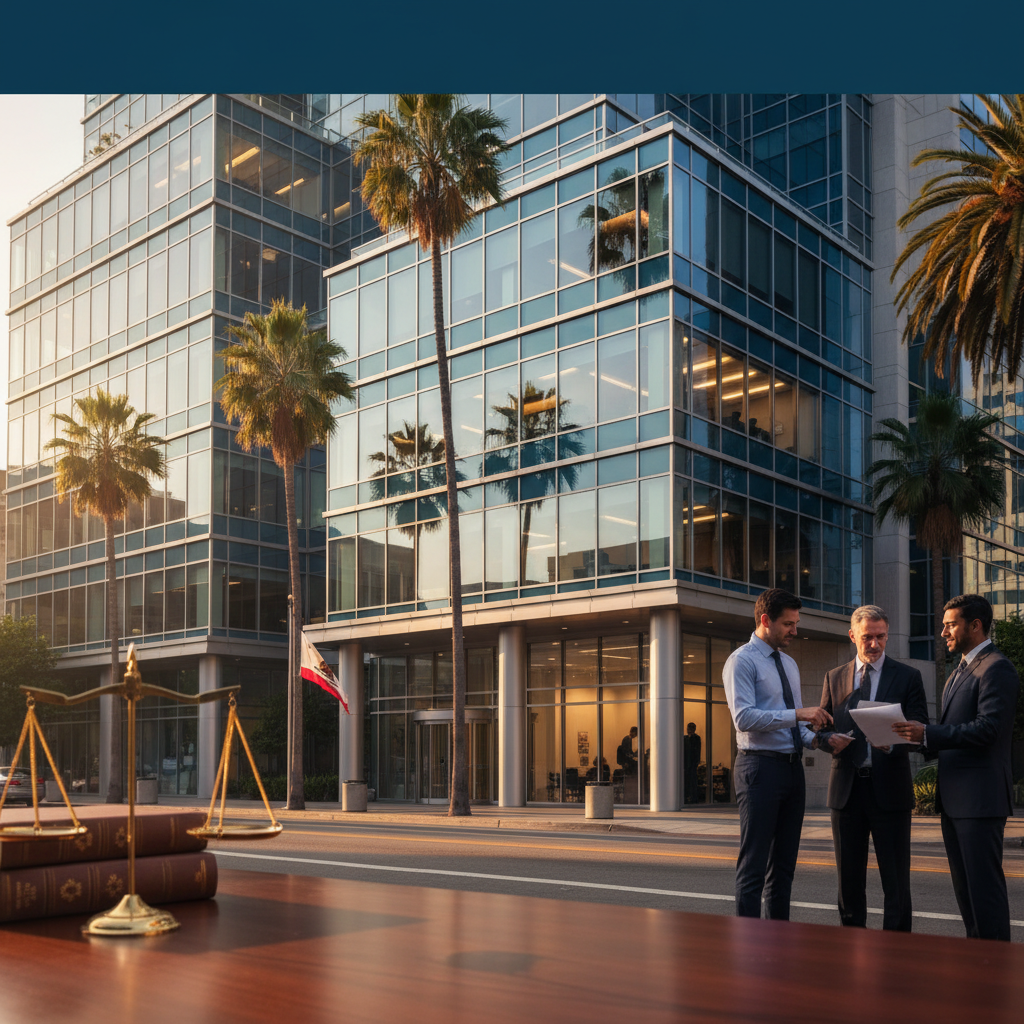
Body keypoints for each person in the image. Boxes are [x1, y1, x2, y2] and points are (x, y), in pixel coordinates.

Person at [893, 594, 1020, 941]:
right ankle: (976, 965)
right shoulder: (958, 672)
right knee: (966, 894)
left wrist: (928, 733)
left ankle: (995, 967)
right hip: (954, 801)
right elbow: (952, 736)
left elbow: (988, 730)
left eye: (950, 624)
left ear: (975, 626)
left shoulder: (997, 668)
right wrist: (914, 738)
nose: (943, 632)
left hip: (979, 802)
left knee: (984, 892)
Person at [723, 588, 832, 919]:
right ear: (765, 620)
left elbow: (795, 726)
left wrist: (822, 740)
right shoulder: (741, 661)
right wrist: (799, 715)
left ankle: (777, 941)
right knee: (754, 865)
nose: (795, 631)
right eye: (788, 624)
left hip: (791, 770)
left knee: (784, 867)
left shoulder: (789, 664)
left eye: (796, 623)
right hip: (759, 770)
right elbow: (744, 718)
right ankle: (748, 942)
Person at [817, 605, 928, 931]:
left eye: (881, 637)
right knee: (848, 880)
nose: (875, 644)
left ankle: (896, 948)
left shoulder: (908, 677)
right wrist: (828, 741)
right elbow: (819, 728)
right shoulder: (834, 677)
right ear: (853, 636)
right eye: (868, 637)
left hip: (890, 791)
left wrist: (895, 742)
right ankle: (853, 944)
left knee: (896, 882)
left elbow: (921, 728)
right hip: (846, 792)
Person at [683, 722, 702, 803]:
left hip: (692, 763)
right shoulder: (684, 738)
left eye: (690, 729)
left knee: (693, 781)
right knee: (686, 781)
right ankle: (686, 797)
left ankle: (693, 797)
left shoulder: (696, 738)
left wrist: (696, 762)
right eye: (688, 729)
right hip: (685, 763)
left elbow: (697, 751)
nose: (689, 731)